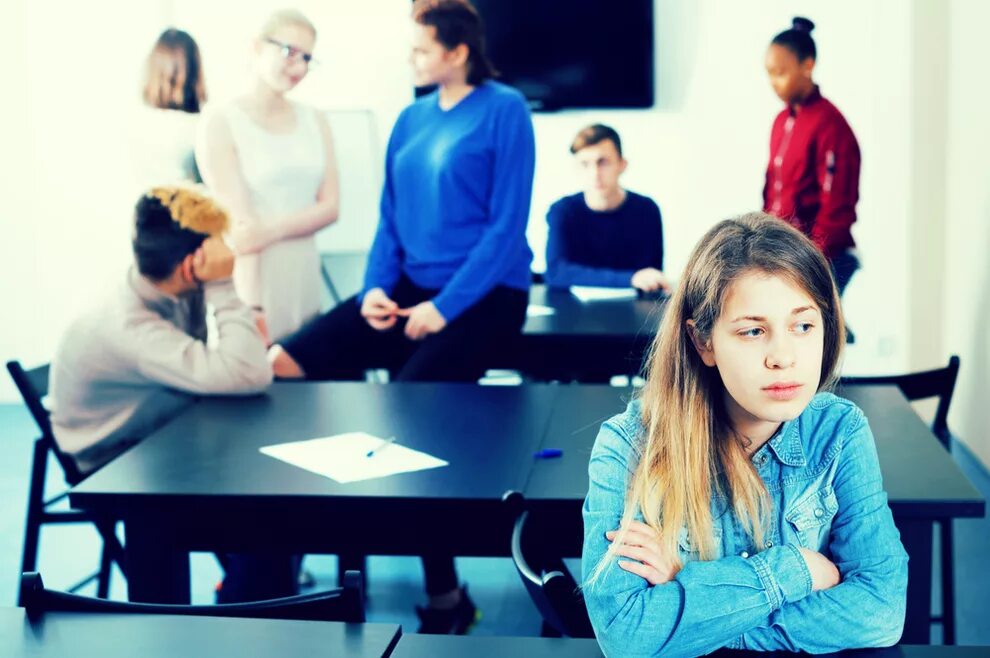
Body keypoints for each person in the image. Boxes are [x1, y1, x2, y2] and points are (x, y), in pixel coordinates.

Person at [270, 0, 535, 634]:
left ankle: (445, 597)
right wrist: (373, 291)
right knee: (285, 361)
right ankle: (292, 554)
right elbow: (390, 218)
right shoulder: (411, 119)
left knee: (412, 413)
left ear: (457, 52)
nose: (410, 60)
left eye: (419, 50)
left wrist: (443, 309)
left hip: (488, 295)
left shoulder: (506, 110)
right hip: (407, 287)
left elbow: (505, 229)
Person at [582, 213, 907, 656]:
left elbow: (881, 611)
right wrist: (799, 570)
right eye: (753, 331)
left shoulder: (839, 432)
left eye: (803, 326)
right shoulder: (627, 447)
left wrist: (690, 598)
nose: (783, 357)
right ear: (703, 342)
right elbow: (626, 633)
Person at [50, 185, 272, 478]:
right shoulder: (130, 327)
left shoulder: (163, 282)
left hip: (159, 421)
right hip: (112, 455)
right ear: (189, 267)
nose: (225, 254)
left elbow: (234, 369)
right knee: (248, 471)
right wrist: (222, 284)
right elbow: (251, 373)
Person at [197, 9, 340, 343]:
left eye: (307, 58)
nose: (300, 67)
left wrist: (271, 228)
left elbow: (331, 207)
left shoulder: (315, 119)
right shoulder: (220, 121)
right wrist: (253, 308)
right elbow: (244, 233)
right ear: (256, 47)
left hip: (304, 277)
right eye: (290, 52)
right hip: (252, 284)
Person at [764, 17, 861, 297]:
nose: (774, 82)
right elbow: (772, 190)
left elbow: (836, 210)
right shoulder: (781, 121)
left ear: (808, 66)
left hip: (818, 259)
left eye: (781, 72)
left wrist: (809, 262)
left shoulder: (830, 125)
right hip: (782, 255)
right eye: (769, 73)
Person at [545, 124, 667, 293]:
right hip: (573, 312)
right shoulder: (563, 211)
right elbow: (557, 273)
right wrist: (631, 278)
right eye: (585, 164)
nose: (595, 173)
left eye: (603, 162)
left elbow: (651, 276)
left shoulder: (647, 210)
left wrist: (640, 279)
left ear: (622, 165)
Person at [129, 29, 208, 192]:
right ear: (194, 71)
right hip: (185, 213)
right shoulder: (201, 129)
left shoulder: (133, 123)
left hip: (141, 214)